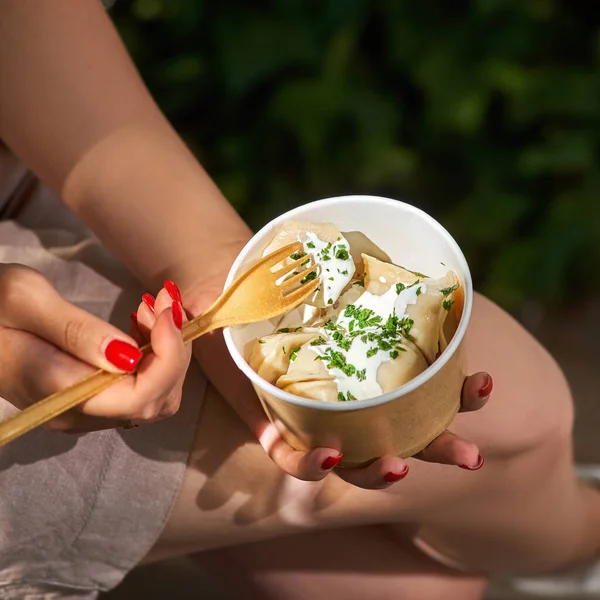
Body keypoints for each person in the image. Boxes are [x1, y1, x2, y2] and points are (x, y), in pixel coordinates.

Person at [0, 2, 598, 599]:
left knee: (500, 446)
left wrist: (211, 268)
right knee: (513, 438)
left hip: (28, 168)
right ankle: (585, 548)